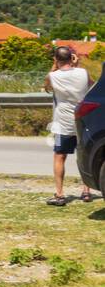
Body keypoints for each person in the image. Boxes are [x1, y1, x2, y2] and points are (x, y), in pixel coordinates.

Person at [44, 46, 92, 206]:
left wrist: (54, 65)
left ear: (56, 60)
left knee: (59, 156)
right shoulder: (83, 73)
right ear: (72, 57)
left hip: (62, 123)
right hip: (82, 121)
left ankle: (60, 194)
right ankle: (86, 191)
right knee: (84, 155)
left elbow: (46, 87)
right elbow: (90, 85)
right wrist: (76, 66)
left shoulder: (53, 76)